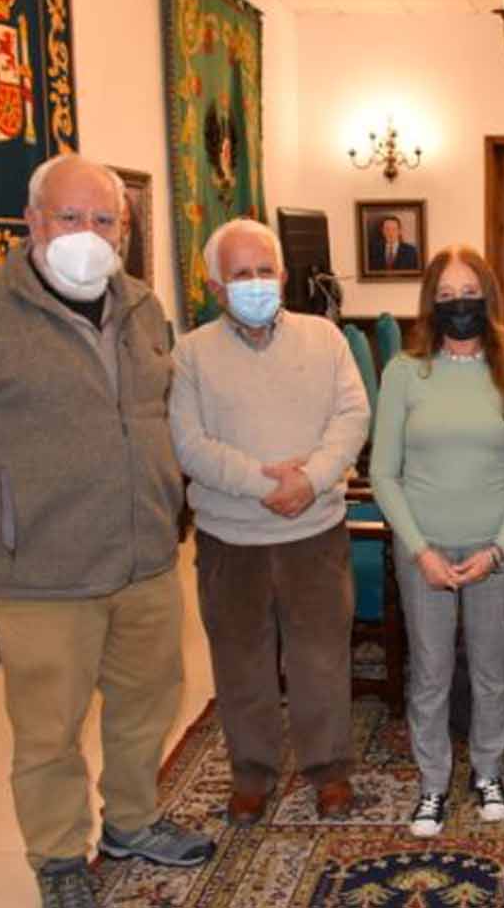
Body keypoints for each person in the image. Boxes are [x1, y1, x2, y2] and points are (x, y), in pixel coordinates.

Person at [0, 154, 214, 907]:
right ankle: (55, 859)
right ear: (32, 221)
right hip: (41, 574)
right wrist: (9, 505)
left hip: (145, 558)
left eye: (103, 220)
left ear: (124, 229)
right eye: (69, 217)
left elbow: (156, 413)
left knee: (148, 701)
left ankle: (134, 821)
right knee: (48, 729)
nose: (86, 233)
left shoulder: (143, 307)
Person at [169, 218, 370, 828]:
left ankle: (328, 770)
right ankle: (251, 774)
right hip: (233, 540)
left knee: (321, 659)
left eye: (263, 271)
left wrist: (309, 480)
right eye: (239, 274)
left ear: (282, 275)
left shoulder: (325, 339)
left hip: (316, 533)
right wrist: (265, 484)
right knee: (241, 660)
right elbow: (189, 443)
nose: (254, 282)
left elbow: (353, 415)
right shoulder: (190, 354)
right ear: (215, 285)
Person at [370, 246, 504, 838]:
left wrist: (497, 547)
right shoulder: (403, 372)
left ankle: (490, 771)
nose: (458, 305)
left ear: (488, 297)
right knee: (430, 671)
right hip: (423, 551)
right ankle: (433, 784)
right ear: (430, 305)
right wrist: (419, 550)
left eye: (468, 292)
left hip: (494, 549)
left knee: (494, 667)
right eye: (444, 296)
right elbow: (383, 474)